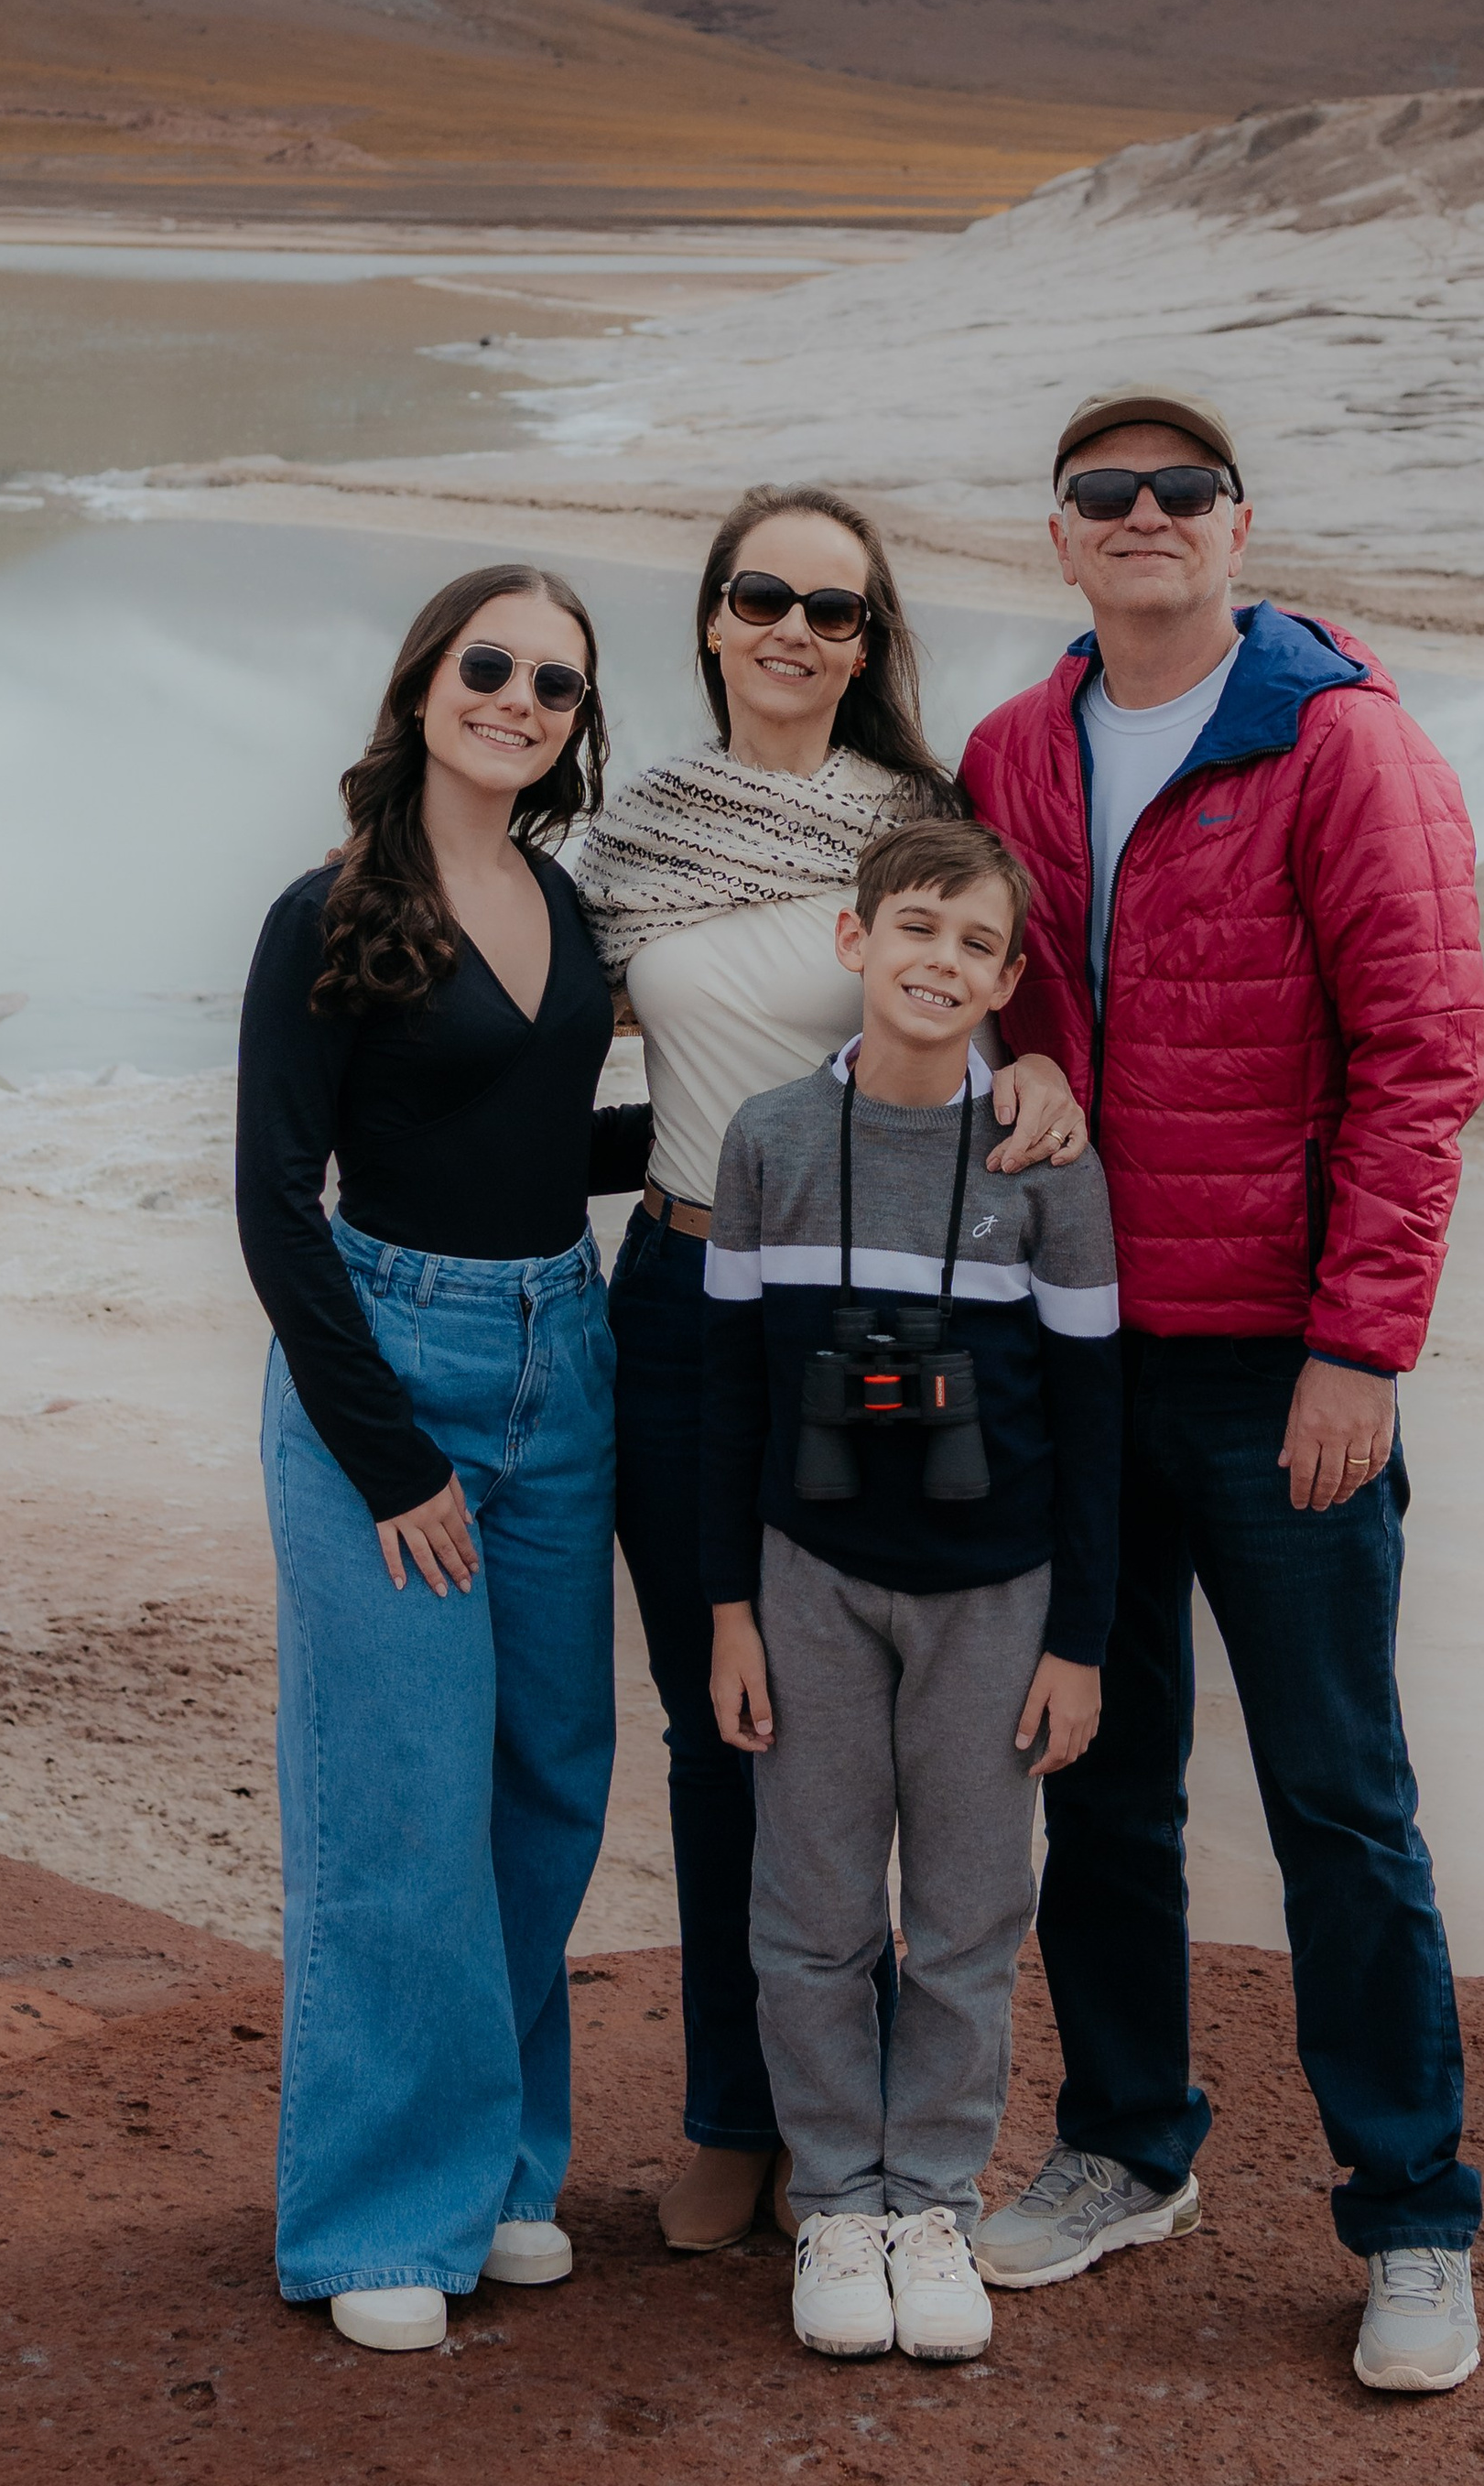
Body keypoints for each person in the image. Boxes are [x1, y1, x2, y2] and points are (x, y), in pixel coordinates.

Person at [959, 387, 1484, 2398]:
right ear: (1061, 539)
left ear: (1239, 527)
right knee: (1096, 1776)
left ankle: (1411, 2213)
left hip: (1280, 1373)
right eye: (1105, 493)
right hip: (1080, 1359)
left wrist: (1359, 1342)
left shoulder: (1337, 743)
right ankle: (1123, 2143)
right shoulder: (1015, 746)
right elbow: (981, 995)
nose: (1145, 516)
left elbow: (1421, 1056)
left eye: (1182, 490)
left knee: (1338, 1797)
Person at [575, 484, 1088, 2254]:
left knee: (929, 1748)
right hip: (686, 1289)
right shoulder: (632, 840)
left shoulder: (922, 827)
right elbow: (560, 1055)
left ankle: (906, 2156)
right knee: (736, 1723)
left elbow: (997, 1008)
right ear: (712, 615)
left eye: (836, 608)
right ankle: (749, 2113)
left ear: (872, 643)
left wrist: (1046, 1078)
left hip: (905, 1318)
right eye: (762, 595)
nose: (797, 630)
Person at [235, 562, 651, 2354]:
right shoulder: (324, 912)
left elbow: (553, 1135)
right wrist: (387, 1453)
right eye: (489, 664)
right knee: (394, 1795)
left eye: (553, 681)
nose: (518, 696)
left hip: (566, 1354)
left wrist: (808, 1115)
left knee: (548, 1774)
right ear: (422, 685)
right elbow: (275, 1202)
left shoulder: (562, 900)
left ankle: (498, 2170)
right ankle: (376, 2217)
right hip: (386, 1371)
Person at [701, 817, 1122, 2365]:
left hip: (994, 1594)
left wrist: (1080, 1634)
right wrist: (730, 1607)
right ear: (852, 939)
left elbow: (1094, 1419)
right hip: (808, 1579)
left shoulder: (1044, 1161)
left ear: (1011, 980)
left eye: (977, 944)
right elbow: (732, 1401)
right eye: (917, 928)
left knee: (964, 1913)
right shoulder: (769, 1141)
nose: (941, 961)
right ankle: (835, 2201)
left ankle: (931, 2198)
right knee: (809, 1910)